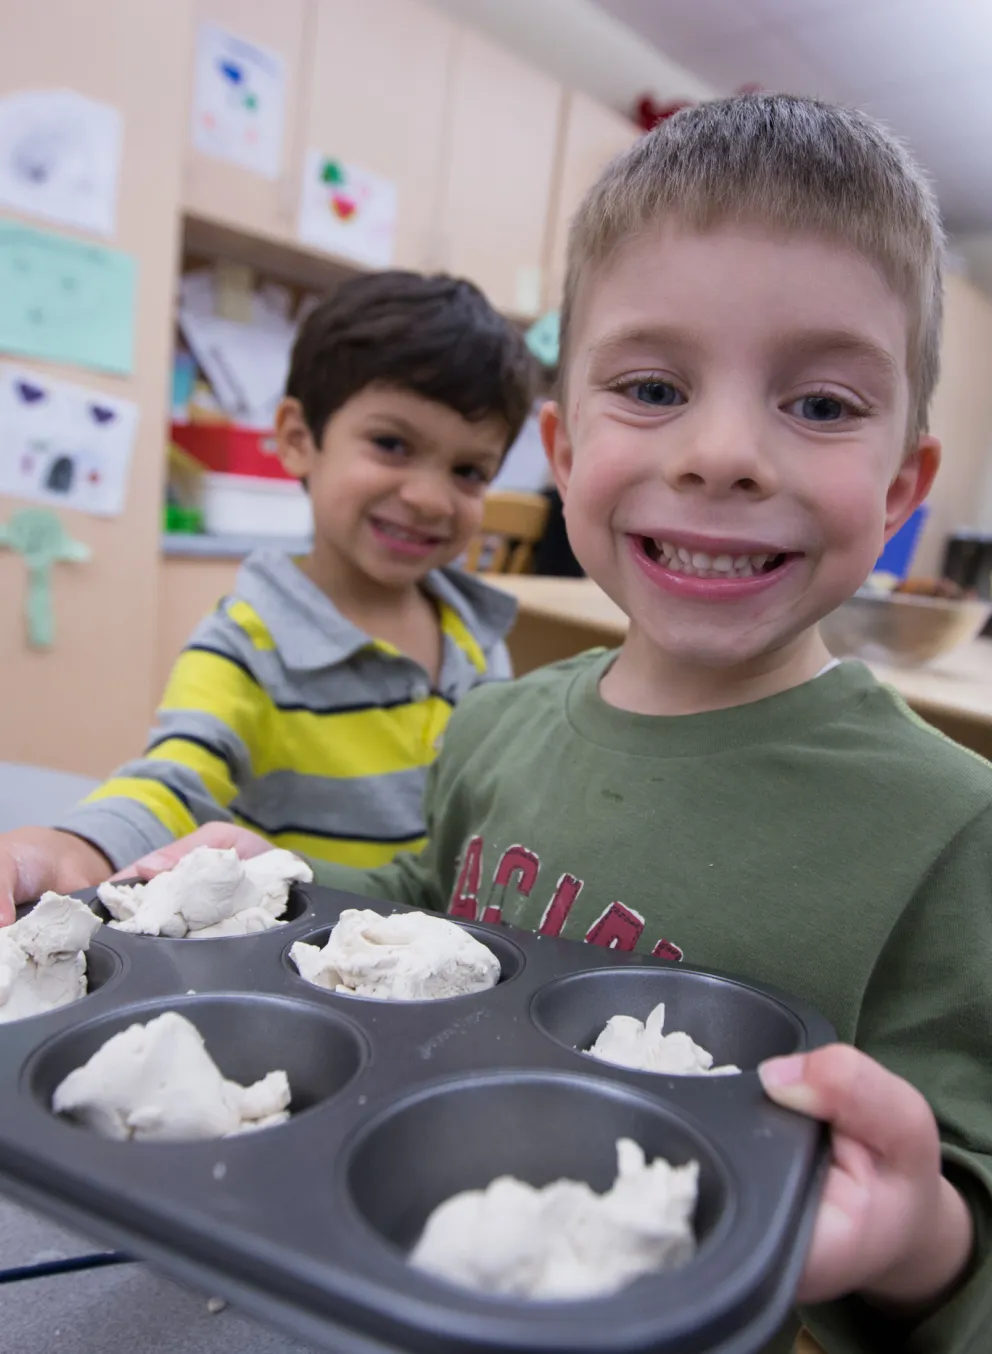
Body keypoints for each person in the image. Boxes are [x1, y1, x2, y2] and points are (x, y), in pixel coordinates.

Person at [24, 93, 992, 1352]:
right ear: (563, 439)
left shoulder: (945, 832)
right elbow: (432, 909)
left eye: (817, 406)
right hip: (397, 1268)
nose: (721, 453)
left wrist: (922, 1246)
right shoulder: (493, 722)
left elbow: (964, 1205)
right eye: (652, 385)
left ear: (902, 487)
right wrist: (281, 872)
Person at [0, 271, 534, 923]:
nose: (428, 497)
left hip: (446, 956)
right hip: (303, 964)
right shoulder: (248, 641)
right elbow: (176, 776)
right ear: (297, 438)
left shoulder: (478, 636)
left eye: (468, 471)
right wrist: (74, 845)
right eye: (392, 444)